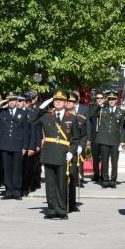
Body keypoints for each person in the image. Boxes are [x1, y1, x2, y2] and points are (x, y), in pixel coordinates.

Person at [30, 90, 80, 220]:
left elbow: (75, 139)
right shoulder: (46, 115)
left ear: (65, 102)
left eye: (61, 100)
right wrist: (41, 106)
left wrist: (71, 152)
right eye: (55, 100)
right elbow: (31, 119)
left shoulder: (72, 118)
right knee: (50, 184)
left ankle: (62, 210)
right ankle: (52, 209)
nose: (58, 102)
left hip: (63, 154)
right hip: (49, 154)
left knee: (62, 183)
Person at [0, 92, 30, 201]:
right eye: (9, 100)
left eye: (13, 100)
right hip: (5, 145)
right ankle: (8, 191)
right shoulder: (2, 112)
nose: (11, 102)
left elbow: (26, 131)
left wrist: (25, 147)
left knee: (17, 169)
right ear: (7, 101)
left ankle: (17, 191)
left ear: (17, 101)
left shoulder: (22, 113)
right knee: (7, 169)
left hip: (17, 145)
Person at [90, 91, 125, 188]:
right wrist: (100, 104)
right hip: (104, 139)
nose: (111, 101)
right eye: (109, 99)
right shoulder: (102, 110)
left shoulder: (120, 111)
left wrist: (122, 140)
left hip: (115, 140)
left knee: (114, 161)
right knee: (104, 161)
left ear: (116, 100)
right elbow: (91, 113)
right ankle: (105, 180)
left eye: (113, 99)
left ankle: (113, 180)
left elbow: (122, 127)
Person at [65, 92, 88, 211]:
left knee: (72, 177)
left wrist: (81, 146)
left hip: (74, 151)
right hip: (63, 150)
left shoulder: (80, 118)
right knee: (62, 178)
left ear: (75, 103)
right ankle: (62, 202)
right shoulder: (60, 116)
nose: (68, 103)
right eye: (67, 101)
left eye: (70, 102)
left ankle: (72, 203)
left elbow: (84, 135)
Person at [88, 92, 106, 182]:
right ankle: (96, 174)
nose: (99, 99)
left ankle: (103, 174)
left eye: (101, 98)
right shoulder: (92, 108)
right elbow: (90, 116)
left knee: (104, 157)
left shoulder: (107, 108)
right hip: (95, 136)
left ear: (104, 98)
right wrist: (98, 106)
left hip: (104, 136)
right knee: (95, 157)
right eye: (97, 98)